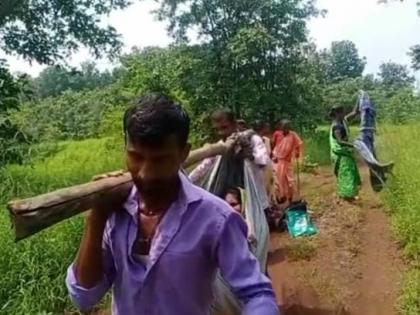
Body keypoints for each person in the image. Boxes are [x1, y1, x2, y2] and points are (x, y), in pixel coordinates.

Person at [66, 94, 279, 315]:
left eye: (160, 160)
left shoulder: (216, 219)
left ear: (183, 154)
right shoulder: (114, 211)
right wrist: (96, 217)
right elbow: (85, 296)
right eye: (136, 157)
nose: (145, 173)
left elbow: (257, 293)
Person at [190, 109, 270, 212]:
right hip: (229, 200)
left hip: (253, 198)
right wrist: (187, 181)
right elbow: (203, 168)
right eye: (217, 129)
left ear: (234, 124)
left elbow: (263, 162)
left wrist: (249, 155)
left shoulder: (252, 140)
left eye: (224, 127)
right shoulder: (220, 146)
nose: (221, 132)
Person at [329, 105, 361, 201]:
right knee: (346, 172)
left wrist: (360, 99)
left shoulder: (343, 121)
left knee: (350, 171)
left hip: (345, 151)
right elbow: (339, 141)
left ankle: (348, 193)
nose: (344, 114)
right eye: (343, 112)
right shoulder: (336, 126)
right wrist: (354, 145)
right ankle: (347, 194)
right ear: (338, 113)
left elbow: (354, 112)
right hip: (341, 152)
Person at [272, 119, 303, 204]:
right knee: (279, 180)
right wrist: (272, 155)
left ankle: (291, 197)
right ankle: (281, 196)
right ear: (281, 127)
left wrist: (297, 152)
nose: (287, 128)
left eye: (288, 126)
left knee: (290, 180)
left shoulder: (293, 135)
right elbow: (273, 145)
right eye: (285, 126)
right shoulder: (277, 134)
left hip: (287, 160)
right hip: (277, 160)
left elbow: (298, 144)